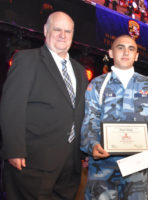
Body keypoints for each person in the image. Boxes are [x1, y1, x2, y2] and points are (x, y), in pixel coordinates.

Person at [0, 11, 88, 199]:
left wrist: (85, 149)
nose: (63, 35)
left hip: (70, 164)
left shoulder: (80, 71)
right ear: (46, 30)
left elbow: (79, 112)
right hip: (33, 161)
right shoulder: (27, 60)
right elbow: (11, 107)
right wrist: (14, 149)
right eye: (57, 30)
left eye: (68, 31)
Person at [80, 35, 148, 199]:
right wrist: (91, 145)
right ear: (111, 53)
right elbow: (89, 121)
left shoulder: (147, 85)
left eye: (131, 48)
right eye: (120, 47)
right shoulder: (97, 84)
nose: (126, 52)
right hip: (102, 168)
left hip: (137, 166)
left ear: (137, 56)